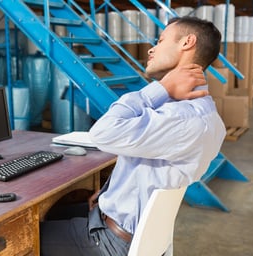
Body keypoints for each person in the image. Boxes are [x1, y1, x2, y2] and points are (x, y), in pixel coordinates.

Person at [40, 16, 226, 256]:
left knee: (21, 236)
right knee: (56, 211)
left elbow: (102, 133)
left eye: (160, 41)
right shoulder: (208, 117)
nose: (152, 48)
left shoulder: (179, 117)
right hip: (124, 226)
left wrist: (160, 88)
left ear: (187, 43)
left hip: (109, 241)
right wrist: (108, 194)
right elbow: (151, 168)